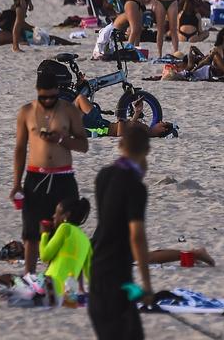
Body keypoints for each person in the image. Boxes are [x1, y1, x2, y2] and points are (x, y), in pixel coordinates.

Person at [11, 61, 89, 275]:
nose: (48, 101)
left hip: (64, 177)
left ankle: (64, 274)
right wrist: (16, 183)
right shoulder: (26, 112)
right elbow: (19, 149)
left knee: (66, 229)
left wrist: (63, 139)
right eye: (43, 97)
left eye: (52, 97)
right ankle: (30, 275)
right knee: (31, 232)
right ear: (37, 92)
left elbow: (84, 145)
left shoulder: (69, 111)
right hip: (35, 176)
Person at [89, 125, 154, 340]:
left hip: (98, 267)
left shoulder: (104, 176)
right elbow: (136, 236)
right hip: (116, 274)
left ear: (119, 145)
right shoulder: (135, 188)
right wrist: (146, 284)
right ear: (147, 150)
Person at [39, 197, 93, 292]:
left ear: (66, 216)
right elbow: (91, 275)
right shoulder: (86, 241)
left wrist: (44, 234)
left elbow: (45, 256)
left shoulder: (65, 228)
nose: (53, 216)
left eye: (57, 213)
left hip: (51, 285)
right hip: (68, 293)